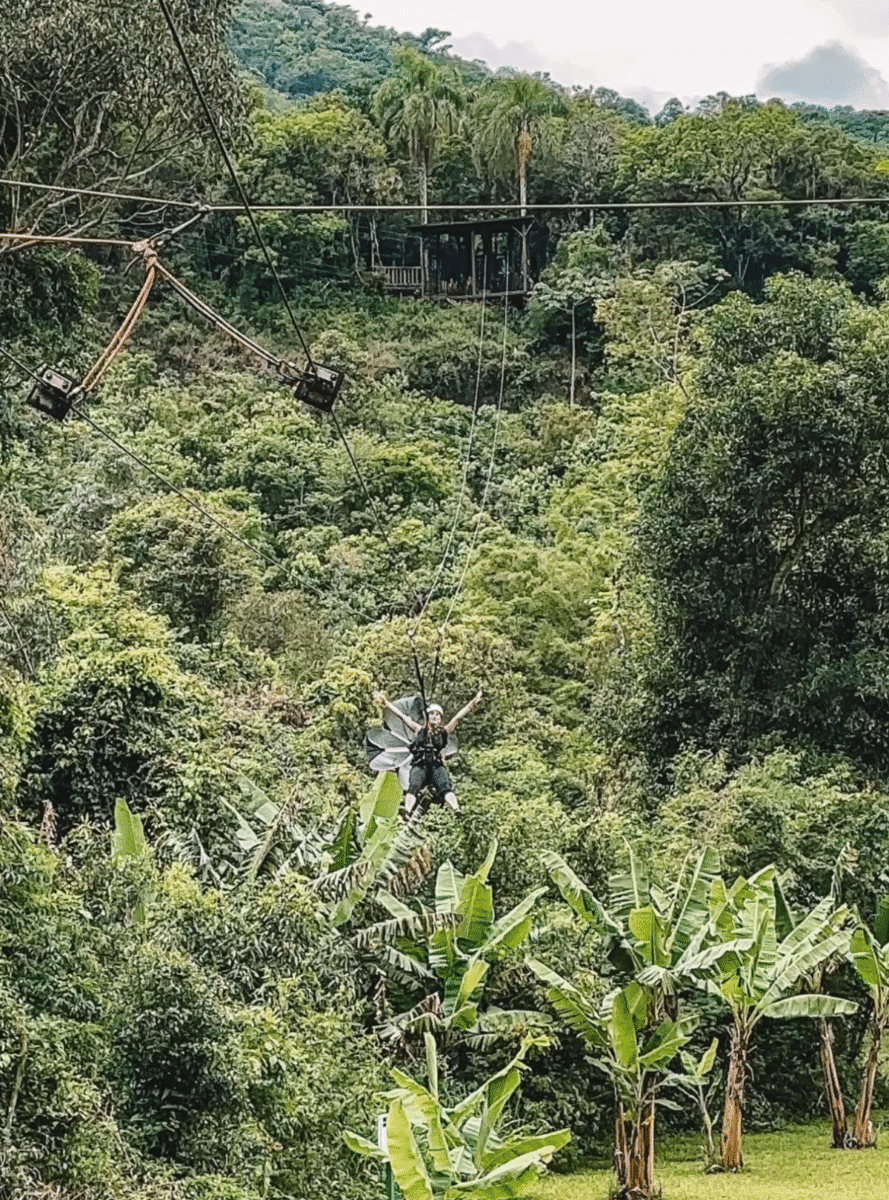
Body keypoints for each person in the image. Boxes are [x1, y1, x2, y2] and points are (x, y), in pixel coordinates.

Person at [372, 690, 482, 814]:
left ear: (440, 719)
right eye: (432, 714)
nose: (434, 716)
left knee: (445, 787)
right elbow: (402, 716)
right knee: (413, 787)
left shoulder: (444, 731)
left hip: (436, 765)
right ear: (428, 717)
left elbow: (458, 717)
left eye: (437, 715)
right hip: (420, 765)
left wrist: (472, 704)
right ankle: (407, 811)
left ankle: (456, 809)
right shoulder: (419, 730)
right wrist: (386, 703)